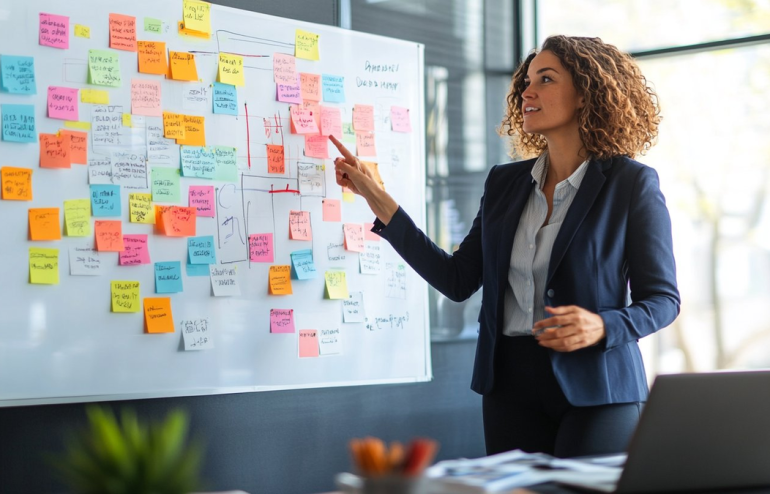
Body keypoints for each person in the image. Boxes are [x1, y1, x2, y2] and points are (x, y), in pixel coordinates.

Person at [329, 35, 680, 458]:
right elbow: (458, 279)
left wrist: (603, 325)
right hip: (509, 387)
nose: (527, 92)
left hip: (598, 386)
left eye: (545, 80)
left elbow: (662, 300)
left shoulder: (631, 184)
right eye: (526, 81)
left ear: (587, 93)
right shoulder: (504, 183)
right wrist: (379, 201)